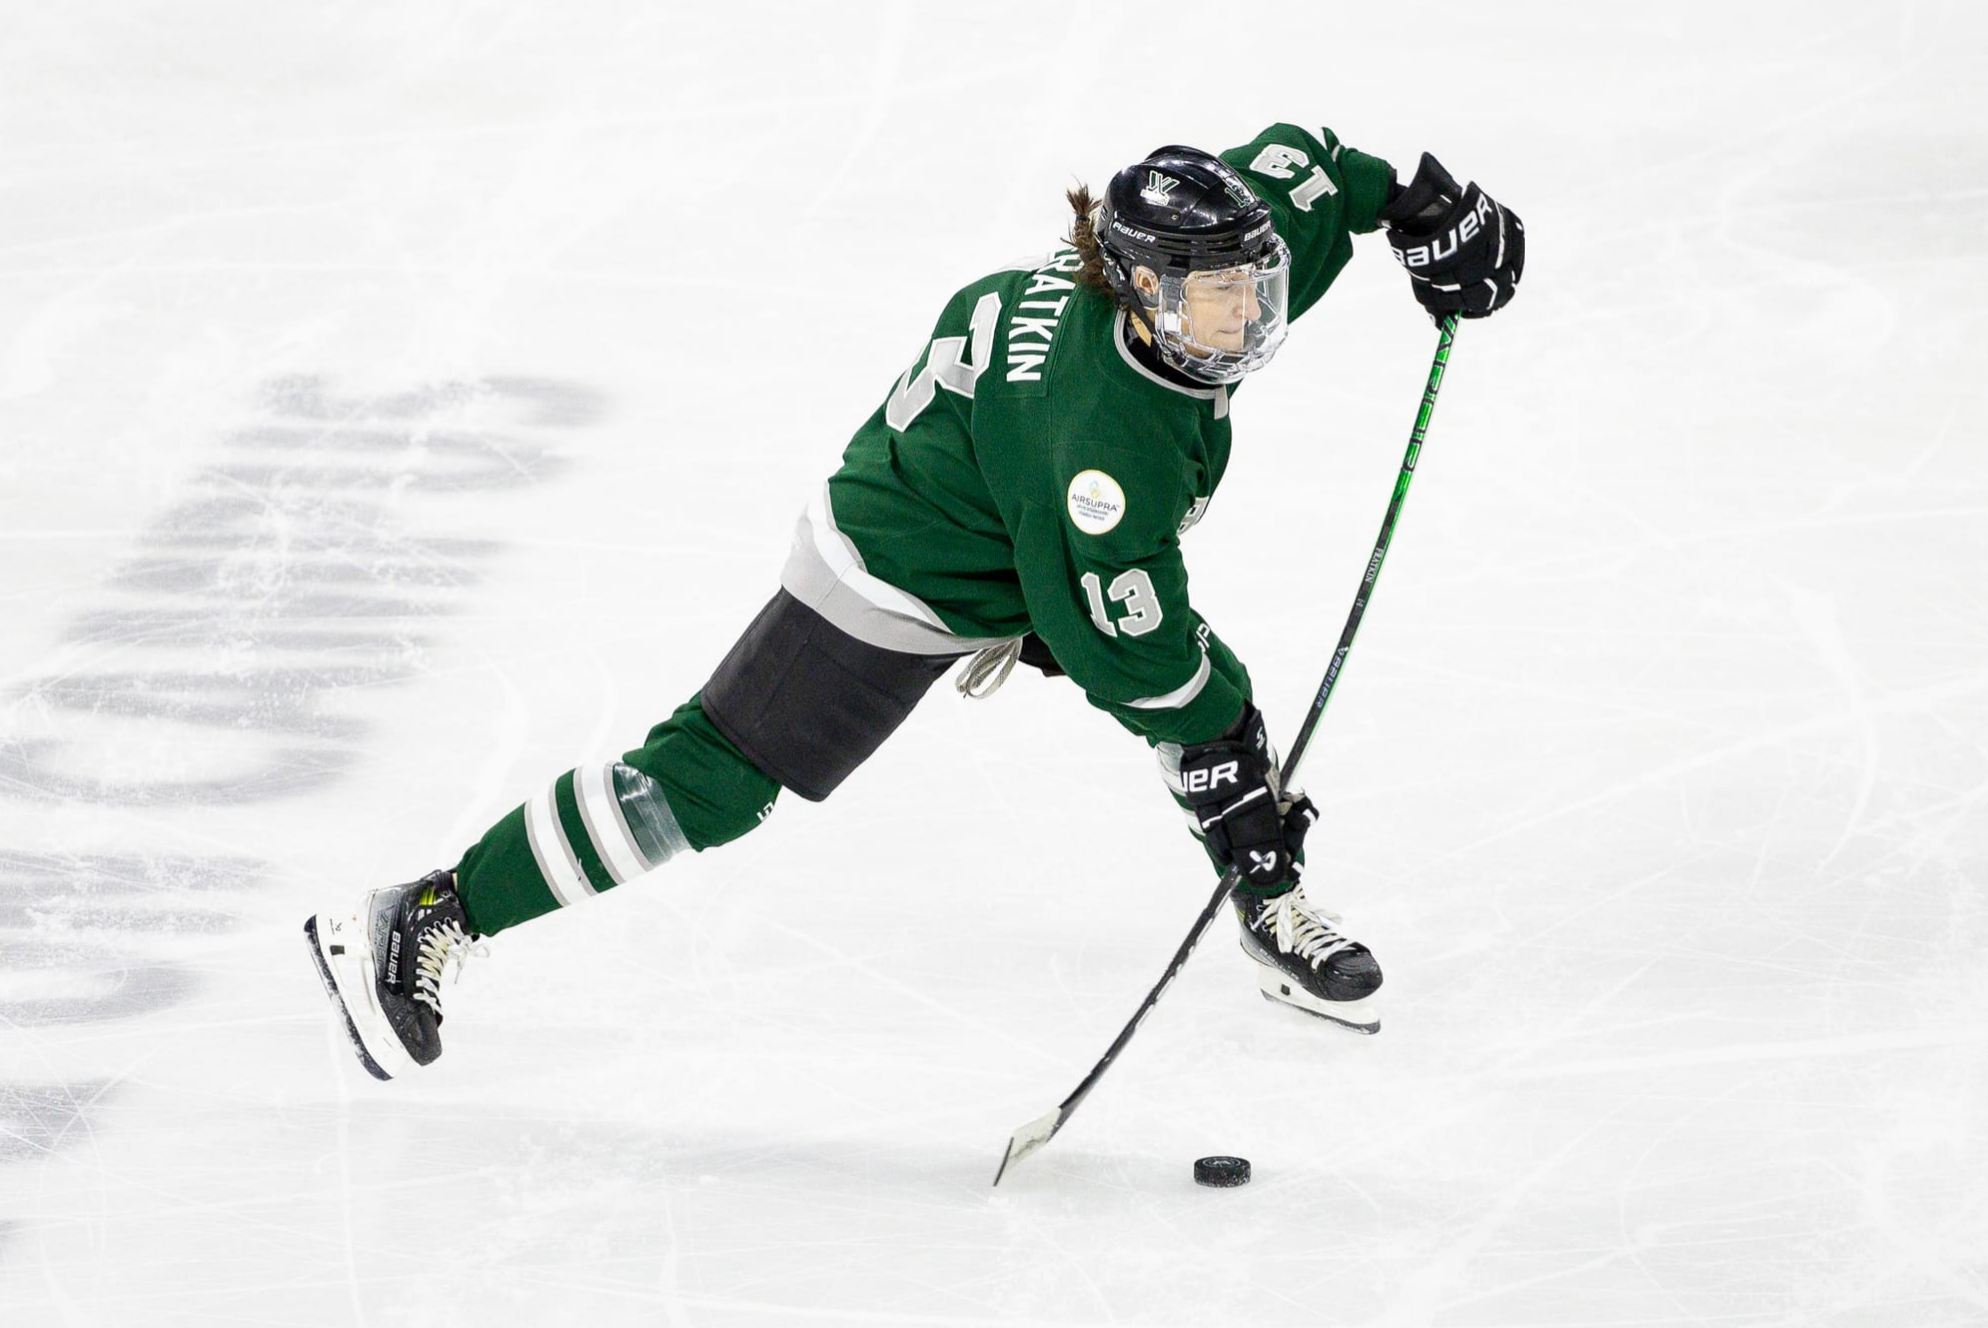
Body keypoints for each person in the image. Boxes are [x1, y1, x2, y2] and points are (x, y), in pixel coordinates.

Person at [305, 124, 1523, 1081]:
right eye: (1219, 302)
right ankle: (422, 911)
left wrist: (1418, 201)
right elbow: (1132, 656)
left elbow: (1309, 169)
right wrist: (1225, 742)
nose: (1249, 320)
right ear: (1142, 288)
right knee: (707, 786)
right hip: (908, 562)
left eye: (1255, 289)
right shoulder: (1095, 445)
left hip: (1023, 519)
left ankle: (1265, 902)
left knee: (1193, 710)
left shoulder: (1205, 263)